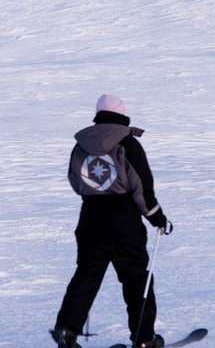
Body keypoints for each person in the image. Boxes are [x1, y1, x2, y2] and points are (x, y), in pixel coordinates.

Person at [51, 94, 170, 348]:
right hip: (123, 220)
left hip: (90, 217)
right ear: (123, 115)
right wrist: (157, 218)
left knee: (87, 275)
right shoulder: (128, 143)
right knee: (137, 279)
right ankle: (144, 340)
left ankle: (66, 332)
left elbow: (75, 181)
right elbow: (142, 188)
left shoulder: (81, 144)